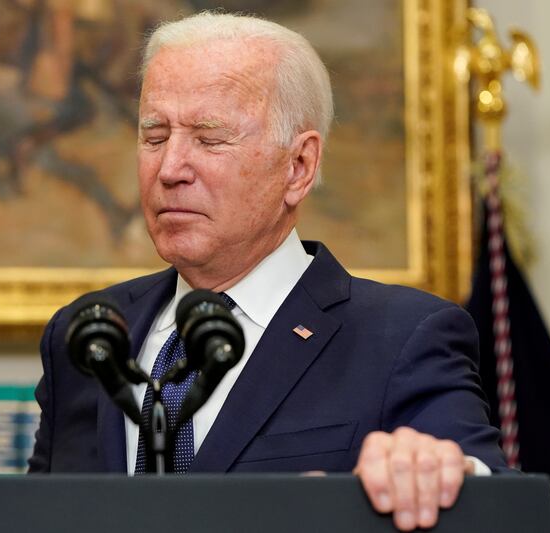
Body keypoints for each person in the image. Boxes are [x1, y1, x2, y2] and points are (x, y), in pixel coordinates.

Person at [28, 11, 507, 532]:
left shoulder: (402, 337)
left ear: (298, 167)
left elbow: (489, 494)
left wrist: (442, 470)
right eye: (155, 135)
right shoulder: (88, 335)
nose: (170, 169)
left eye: (209, 139)